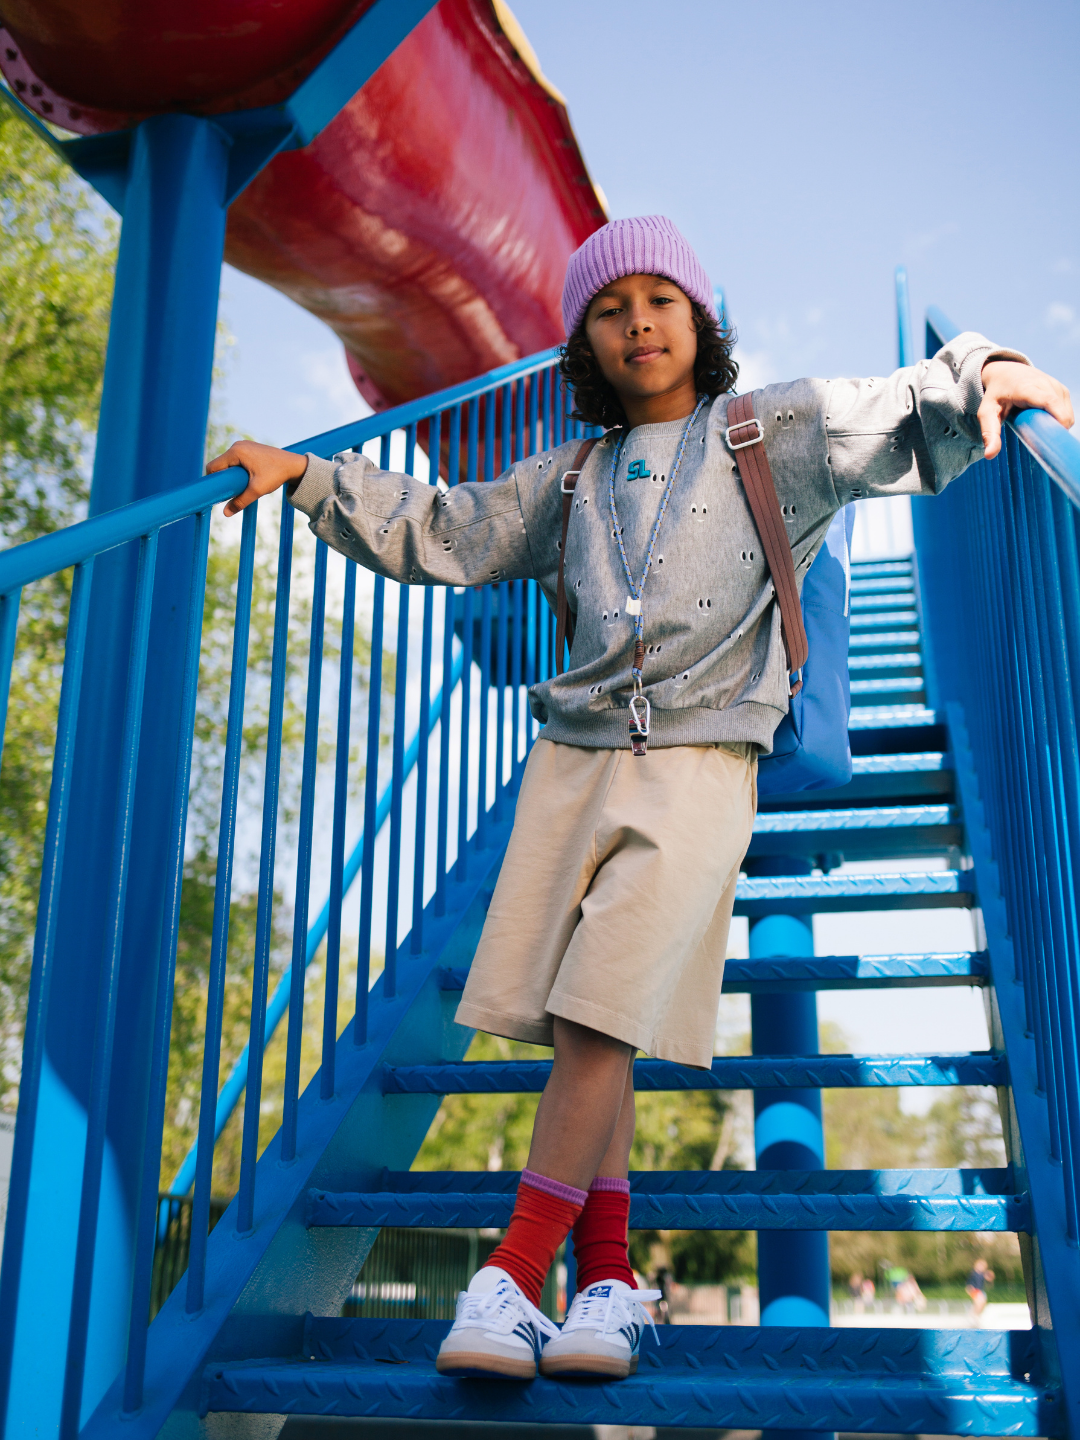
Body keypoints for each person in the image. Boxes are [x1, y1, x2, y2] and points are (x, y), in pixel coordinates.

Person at [208, 215, 1073, 1381]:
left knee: (602, 1013)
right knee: (585, 1020)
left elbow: (893, 403)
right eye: (610, 311)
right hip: (572, 761)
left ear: (700, 321)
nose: (638, 324)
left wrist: (987, 368)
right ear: (585, 347)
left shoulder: (769, 430)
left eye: (661, 301)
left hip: (703, 759)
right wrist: (310, 479)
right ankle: (608, 1281)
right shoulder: (568, 477)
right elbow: (448, 528)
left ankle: (512, 1273)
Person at [966, 1257, 994, 1323]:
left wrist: (990, 1277)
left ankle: (976, 1315)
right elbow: (969, 1282)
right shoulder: (973, 1273)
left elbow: (988, 1279)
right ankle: (974, 1315)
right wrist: (969, 1289)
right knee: (978, 1302)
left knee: (983, 1302)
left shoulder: (982, 1274)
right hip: (974, 1290)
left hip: (980, 1291)